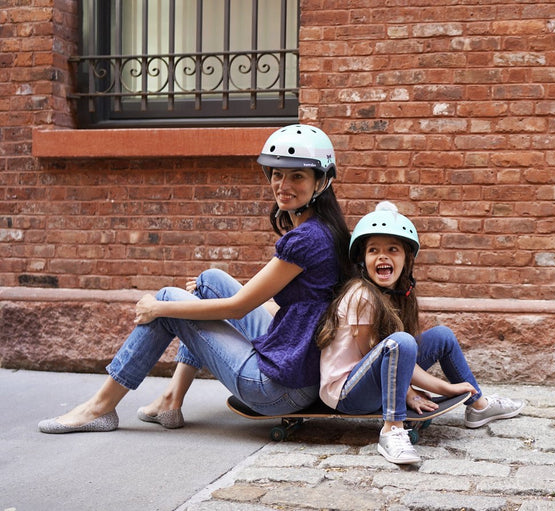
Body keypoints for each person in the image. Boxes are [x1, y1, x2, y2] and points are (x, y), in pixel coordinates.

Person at [38, 124, 352, 434]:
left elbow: (237, 308)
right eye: (278, 173)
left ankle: (100, 408)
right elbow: (302, 305)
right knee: (210, 280)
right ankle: (171, 399)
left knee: (166, 300)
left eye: (297, 176)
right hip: (298, 365)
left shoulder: (306, 240)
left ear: (321, 181)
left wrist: (160, 311)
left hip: (278, 388)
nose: (283, 184)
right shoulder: (325, 229)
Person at [316, 202, 525, 464]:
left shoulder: (393, 294)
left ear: (407, 259)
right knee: (401, 342)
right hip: (348, 393)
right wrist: (434, 389)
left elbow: (394, 357)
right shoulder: (361, 295)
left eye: (392, 249)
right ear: (363, 260)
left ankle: (478, 406)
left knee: (442, 336)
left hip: (375, 377)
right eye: (373, 251)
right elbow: (375, 355)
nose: (382, 256)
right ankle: (392, 430)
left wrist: (418, 387)